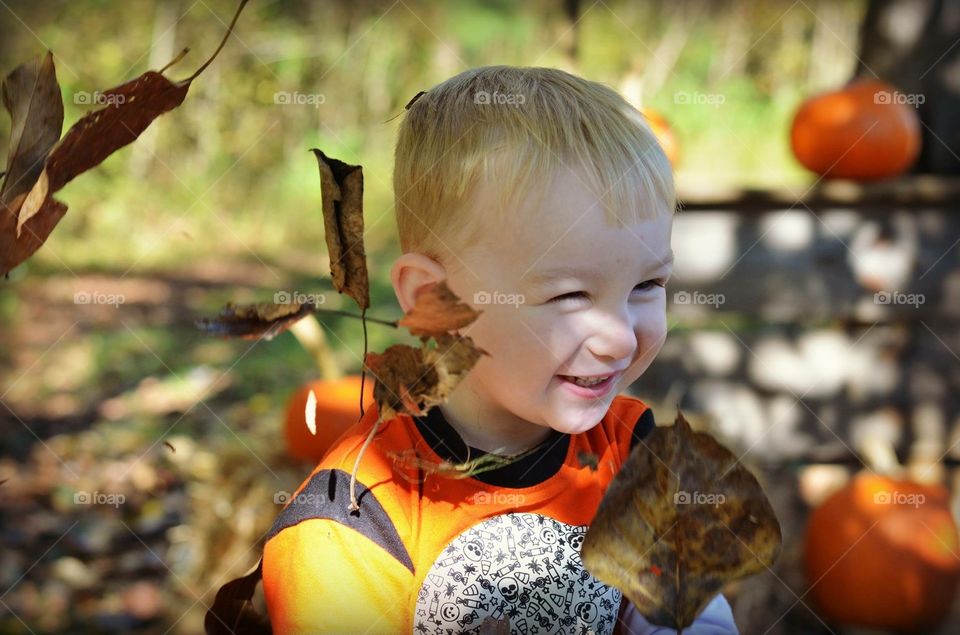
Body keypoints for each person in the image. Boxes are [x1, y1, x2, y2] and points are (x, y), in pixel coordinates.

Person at [262, 65, 738, 634]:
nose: (621, 336)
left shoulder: (633, 456)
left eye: (647, 286)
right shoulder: (355, 524)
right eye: (570, 294)